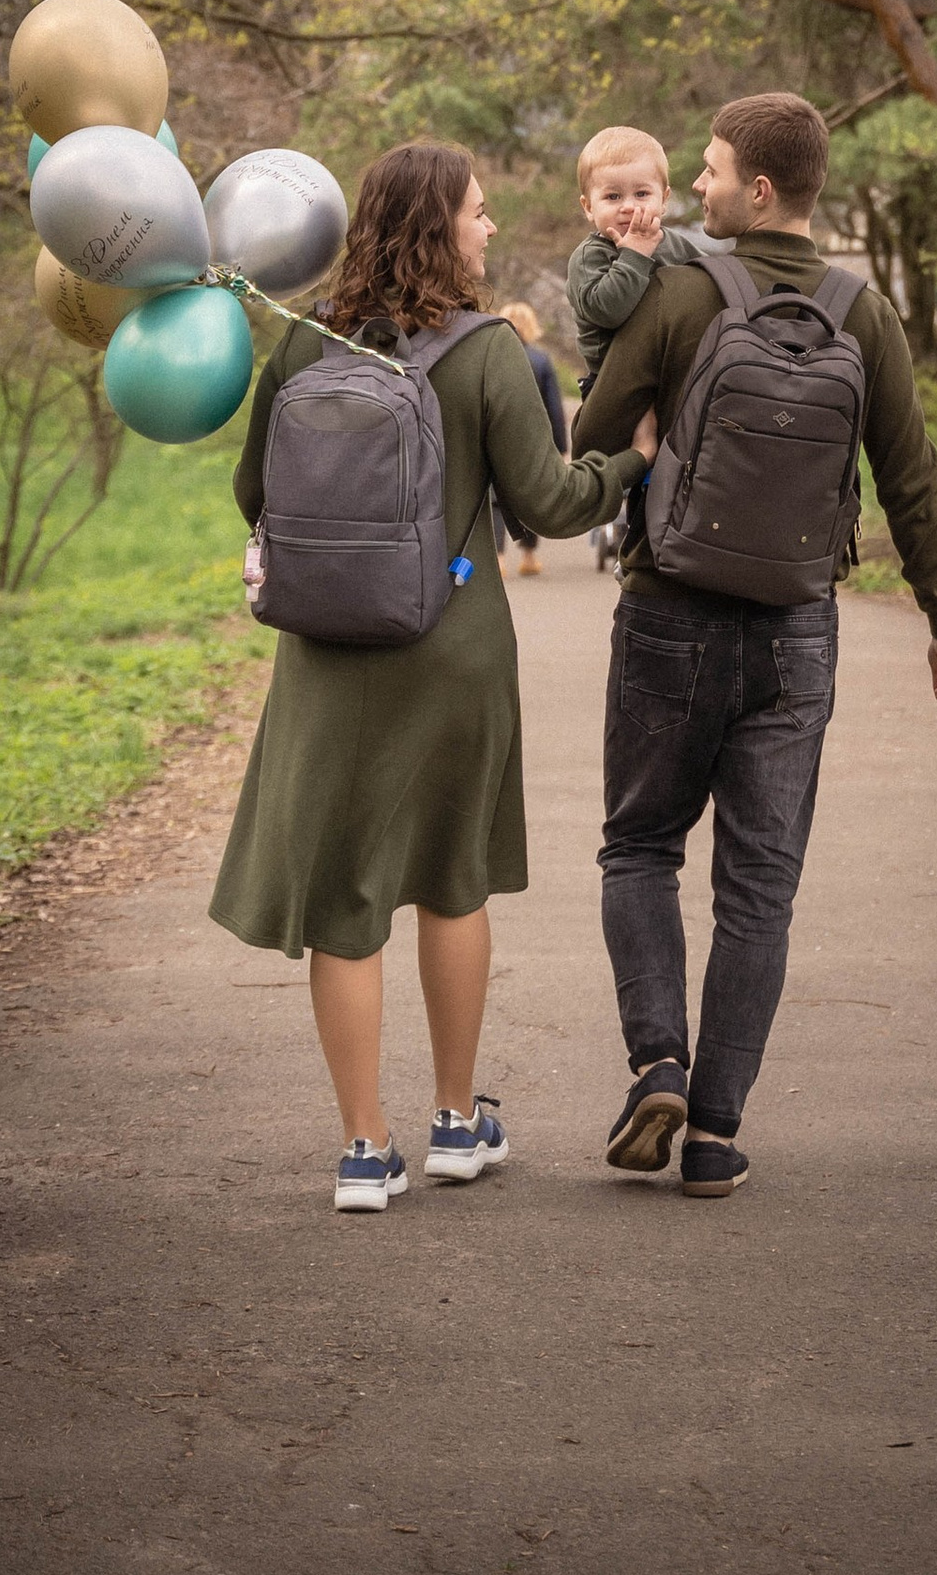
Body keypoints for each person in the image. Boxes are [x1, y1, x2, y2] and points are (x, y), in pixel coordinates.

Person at [211, 141, 655, 1214]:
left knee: (345, 900)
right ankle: (456, 1123)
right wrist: (630, 458)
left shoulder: (307, 345)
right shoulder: (488, 351)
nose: (491, 226)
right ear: (439, 227)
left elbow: (250, 491)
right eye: (479, 211)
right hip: (451, 647)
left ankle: (364, 1149)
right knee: (452, 882)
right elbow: (549, 503)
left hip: (326, 658)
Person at [570, 89, 937, 1202]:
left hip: (670, 612)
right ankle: (713, 1132)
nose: (692, 189)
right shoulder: (866, 311)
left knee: (640, 847)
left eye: (705, 172)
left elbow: (591, 436)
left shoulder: (682, 293)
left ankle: (656, 1059)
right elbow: (911, 479)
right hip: (799, 630)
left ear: (756, 190)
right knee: (760, 888)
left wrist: (629, 446)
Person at [565, 122, 716, 389]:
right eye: (612, 196)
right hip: (612, 381)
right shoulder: (590, 257)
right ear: (588, 207)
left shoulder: (674, 244)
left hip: (668, 375)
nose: (629, 206)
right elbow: (608, 311)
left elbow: (714, 275)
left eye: (642, 194)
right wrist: (634, 253)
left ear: (664, 199)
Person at [496, 298, 568, 576]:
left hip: (498, 434)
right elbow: (554, 407)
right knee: (528, 496)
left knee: (495, 500)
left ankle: (499, 558)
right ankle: (527, 556)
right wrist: (560, 446)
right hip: (532, 441)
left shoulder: (494, 357)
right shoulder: (540, 360)